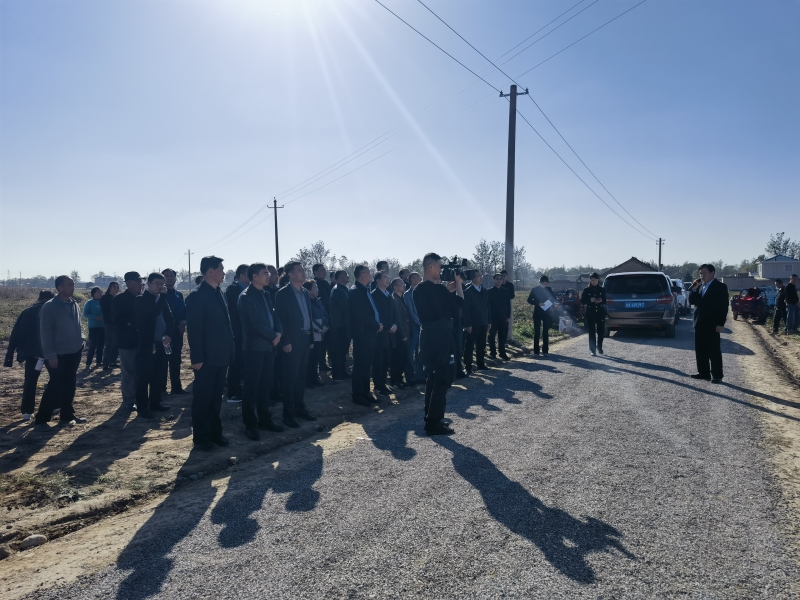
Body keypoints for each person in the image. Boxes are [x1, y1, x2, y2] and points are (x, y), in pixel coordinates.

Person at [186, 255, 234, 451]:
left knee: (215, 397)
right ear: (211, 271)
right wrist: (197, 357)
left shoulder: (219, 292)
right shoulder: (197, 296)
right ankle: (201, 437)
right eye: (221, 269)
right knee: (203, 398)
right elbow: (194, 329)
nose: (224, 273)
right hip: (206, 358)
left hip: (221, 355)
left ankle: (215, 432)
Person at [414, 253, 464, 435]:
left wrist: (447, 290)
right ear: (431, 267)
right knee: (444, 378)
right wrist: (459, 284)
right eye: (439, 267)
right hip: (442, 337)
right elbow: (459, 302)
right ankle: (434, 422)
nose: (441, 271)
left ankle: (430, 419)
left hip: (427, 336)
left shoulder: (418, 290)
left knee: (432, 377)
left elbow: (437, 302)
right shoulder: (438, 290)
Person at [238, 263, 285, 441]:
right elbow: (253, 324)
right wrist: (273, 336)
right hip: (254, 348)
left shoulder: (266, 294)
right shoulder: (245, 297)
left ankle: (265, 419)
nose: (269, 275)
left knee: (265, 385)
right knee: (251, 387)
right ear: (254, 276)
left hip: (269, 346)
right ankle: (250, 424)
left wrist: (279, 332)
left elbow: (274, 315)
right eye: (265, 273)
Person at [33, 276, 86, 430]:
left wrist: (81, 341)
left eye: (73, 284)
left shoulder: (73, 303)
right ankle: (41, 419)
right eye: (69, 284)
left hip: (74, 351)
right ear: (60, 288)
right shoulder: (50, 306)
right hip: (58, 354)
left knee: (70, 384)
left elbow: (78, 325)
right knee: (55, 385)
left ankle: (66, 415)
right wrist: (50, 355)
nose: (72, 287)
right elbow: (45, 333)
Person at [274, 261, 317, 427]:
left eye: (303, 270)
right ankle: (288, 414)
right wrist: (285, 341)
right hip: (291, 342)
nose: (303, 273)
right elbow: (280, 319)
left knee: (301, 376)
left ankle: (300, 408)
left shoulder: (305, 292)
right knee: (290, 378)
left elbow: (309, 316)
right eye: (299, 271)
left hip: (305, 340)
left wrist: (311, 338)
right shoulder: (282, 294)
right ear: (290, 275)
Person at [4, 290, 54, 421]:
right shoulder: (52, 311)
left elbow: (16, 334)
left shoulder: (26, 312)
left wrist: (11, 355)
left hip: (32, 354)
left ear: (39, 298)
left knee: (30, 382)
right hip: (51, 353)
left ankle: (27, 411)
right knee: (55, 379)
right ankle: (54, 404)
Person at [134, 273, 175, 418]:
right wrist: (162, 297)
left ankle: (155, 402)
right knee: (144, 376)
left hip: (162, 343)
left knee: (159, 375)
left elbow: (170, 319)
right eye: (157, 283)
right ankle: (142, 407)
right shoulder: (140, 299)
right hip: (147, 344)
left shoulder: (161, 299)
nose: (160, 287)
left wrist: (168, 334)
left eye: (161, 284)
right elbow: (153, 312)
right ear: (148, 284)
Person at [688, 263, 729, 383]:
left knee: (713, 350)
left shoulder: (720, 287)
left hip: (712, 323)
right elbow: (692, 302)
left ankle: (717, 375)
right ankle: (703, 373)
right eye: (700, 273)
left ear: (712, 273)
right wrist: (693, 290)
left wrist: (720, 323)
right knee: (700, 349)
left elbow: (723, 306)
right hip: (699, 322)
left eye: (704, 273)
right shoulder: (700, 286)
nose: (702, 276)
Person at [349, 265, 382, 406]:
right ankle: (357, 395)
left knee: (367, 365)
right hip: (362, 334)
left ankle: (366, 392)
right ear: (361, 274)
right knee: (360, 366)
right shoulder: (355, 291)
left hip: (370, 333)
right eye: (368, 272)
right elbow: (361, 315)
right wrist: (376, 325)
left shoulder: (365, 289)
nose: (370, 274)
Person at [113, 272, 143, 411]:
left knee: (141, 371)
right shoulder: (120, 299)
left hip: (142, 341)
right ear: (129, 284)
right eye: (138, 282)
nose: (141, 285)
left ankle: (140, 397)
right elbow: (117, 320)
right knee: (129, 372)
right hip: (127, 341)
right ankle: (129, 400)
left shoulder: (142, 298)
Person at [225, 264, 250, 403]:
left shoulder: (250, 290)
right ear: (241, 276)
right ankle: (233, 392)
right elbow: (234, 313)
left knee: (245, 363)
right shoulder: (233, 290)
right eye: (248, 274)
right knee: (236, 362)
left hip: (247, 333)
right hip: (236, 332)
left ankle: (242, 389)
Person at [162, 268, 188, 394]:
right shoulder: (160, 295)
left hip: (178, 331)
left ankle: (176, 387)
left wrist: (184, 322)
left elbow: (184, 311)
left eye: (172, 275)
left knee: (176, 359)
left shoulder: (179, 295)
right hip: (165, 332)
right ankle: (161, 389)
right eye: (166, 276)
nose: (169, 278)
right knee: (162, 361)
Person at [371, 272, 396, 397]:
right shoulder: (374, 295)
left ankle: (383, 384)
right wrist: (389, 326)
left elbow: (394, 313)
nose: (388, 279)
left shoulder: (388, 295)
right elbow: (378, 314)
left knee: (386, 360)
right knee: (378, 361)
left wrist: (395, 324)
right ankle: (378, 386)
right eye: (385, 277)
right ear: (377, 280)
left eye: (388, 277)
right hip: (380, 333)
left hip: (390, 334)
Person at [462, 271, 490, 374]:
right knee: (469, 345)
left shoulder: (485, 291)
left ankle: (481, 365)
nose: (481, 278)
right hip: (473, 323)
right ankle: (468, 367)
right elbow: (465, 309)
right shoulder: (468, 291)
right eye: (478, 276)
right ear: (473, 278)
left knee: (481, 345)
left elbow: (488, 307)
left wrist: (489, 321)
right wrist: (468, 324)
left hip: (483, 322)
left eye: (481, 275)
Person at [303, 280, 329, 388]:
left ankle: (315, 378)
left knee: (316, 357)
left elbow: (325, 315)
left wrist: (325, 325)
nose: (317, 289)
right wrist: (318, 328)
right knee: (310, 358)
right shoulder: (306, 302)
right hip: (312, 334)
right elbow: (308, 318)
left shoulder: (318, 301)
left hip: (321, 333)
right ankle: (309, 380)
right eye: (315, 287)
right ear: (309, 290)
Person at [329, 270, 351, 381]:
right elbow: (345, 307)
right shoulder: (337, 290)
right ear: (339, 277)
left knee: (343, 351)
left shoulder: (344, 289)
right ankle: (337, 374)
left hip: (344, 325)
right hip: (339, 326)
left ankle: (342, 372)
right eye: (345, 275)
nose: (348, 276)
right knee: (338, 351)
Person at [390, 277, 412, 388]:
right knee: (397, 359)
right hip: (399, 336)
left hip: (405, 333)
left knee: (403, 359)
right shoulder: (394, 299)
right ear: (395, 287)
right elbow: (398, 319)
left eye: (404, 284)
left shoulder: (401, 298)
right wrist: (403, 335)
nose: (404, 286)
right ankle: (395, 381)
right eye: (401, 284)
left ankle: (399, 379)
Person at [527, 275, 556, 357]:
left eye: (546, 284)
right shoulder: (535, 289)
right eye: (543, 284)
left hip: (546, 312)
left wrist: (549, 302)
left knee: (545, 332)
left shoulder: (549, 289)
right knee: (537, 332)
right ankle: (536, 351)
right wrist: (538, 303)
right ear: (540, 283)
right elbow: (529, 300)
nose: (545, 285)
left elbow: (554, 298)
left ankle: (545, 351)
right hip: (537, 312)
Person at [404, 272, 424, 383]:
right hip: (413, 327)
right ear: (412, 279)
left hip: (421, 325)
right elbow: (411, 312)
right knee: (410, 353)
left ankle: (420, 375)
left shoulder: (421, 292)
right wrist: (420, 323)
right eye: (418, 278)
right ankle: (410, 377)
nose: (421, 279)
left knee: (420, 352)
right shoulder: (407, 294)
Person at [580, 272, 607, 356]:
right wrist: (589, 300)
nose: (594, 282)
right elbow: (582, 301)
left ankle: (599, 346)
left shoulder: (602, 290)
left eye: (595, 280)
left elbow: (605, 300)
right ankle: (593, 349)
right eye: (592, 280)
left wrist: (601, 300)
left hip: (600, 312)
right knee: (591, 332)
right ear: (590, 280)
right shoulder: (586, 290)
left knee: (601, 331)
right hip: (590, 313)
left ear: (598, 280)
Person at [312, 264, 332, 372]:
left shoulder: (326, 283)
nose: (324, 272)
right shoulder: (315, 284)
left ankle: (323, 363)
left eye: (324, 270)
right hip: (319, 318)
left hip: (327, 317)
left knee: (326, 342)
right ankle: (320, 364)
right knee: (320, 344)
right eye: (321, 270)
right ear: (315, 272)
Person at [488, 274, 511, 361]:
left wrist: (508, 316)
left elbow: (508, 305)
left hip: (503, 318)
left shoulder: (505, 291)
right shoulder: (489, 292)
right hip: (493, 318)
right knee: (492, 336)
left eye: (500, 279)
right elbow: (487, 306)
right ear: (493, 280)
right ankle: (493, 353)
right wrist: (488, 319)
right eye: (497, 279)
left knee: (502, 336)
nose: (499, 281)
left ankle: (502, 353)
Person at [82, 286, 105, 369]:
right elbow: (85, 314)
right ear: (93, 294)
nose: (100, 293)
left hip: (103, 326)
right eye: (98, 292)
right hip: (93, 327)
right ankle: (88, 363)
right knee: (93, 345)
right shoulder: (89, 303)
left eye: (101, 292)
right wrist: (95, 317)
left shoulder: (104, 302)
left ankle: (99, 362)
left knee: (101, 345)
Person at [99, 281, 119, 370]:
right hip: (109, 323)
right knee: (110, 343)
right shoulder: (105, 298)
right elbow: (106, 311)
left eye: (118, 287)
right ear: (110, 287)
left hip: (118, 323)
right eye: (115, 287)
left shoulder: (117, 298)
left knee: (117, 343)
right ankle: (105, 363)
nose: (117, 289)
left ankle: (113, 361)